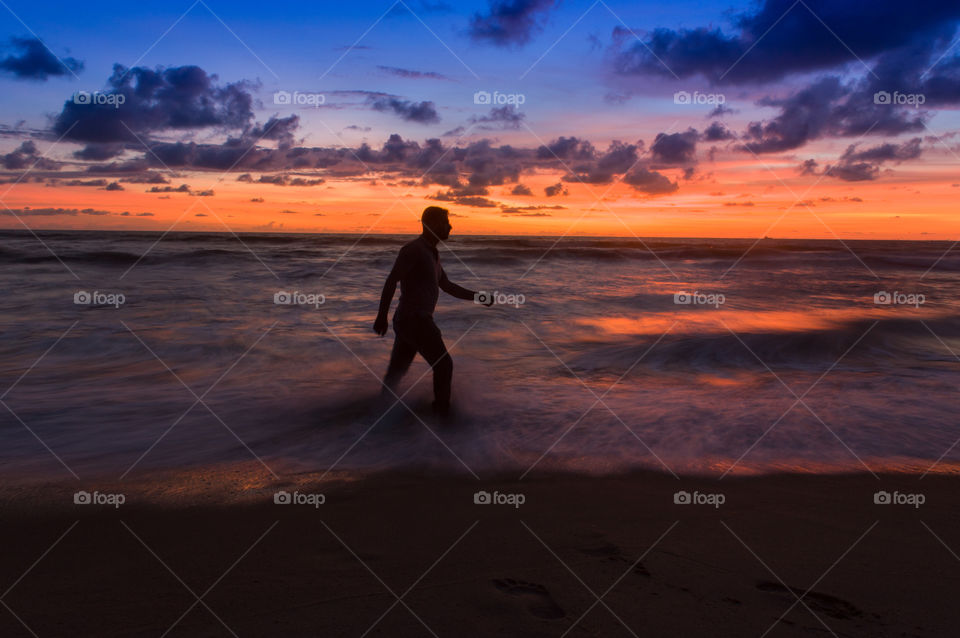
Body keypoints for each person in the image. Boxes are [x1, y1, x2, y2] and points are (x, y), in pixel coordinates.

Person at [373, 206, 493, 415]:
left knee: (397, 372)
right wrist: (381, 316)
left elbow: (447, 285)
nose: (450, 226)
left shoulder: (432, 254)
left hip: (410, 320)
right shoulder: (413, 250)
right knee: (443, 364)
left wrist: (481, 297)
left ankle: (379, 412)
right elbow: (392, 280)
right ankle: (442, 416)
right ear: (433, 224)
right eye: (446, 222)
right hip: (415, 320)